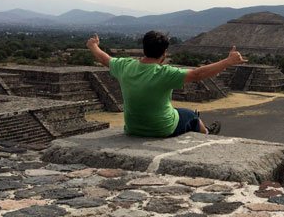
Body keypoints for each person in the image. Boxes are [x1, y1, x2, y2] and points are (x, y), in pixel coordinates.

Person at [87, 31, 245, 138]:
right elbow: (198, 74)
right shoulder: (163, 73)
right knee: (191, 115)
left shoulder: (125, 66)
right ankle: (208, 135)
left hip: (133, 128)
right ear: (164, 53)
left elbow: (104, 58)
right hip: (161, 129)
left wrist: (93, 45)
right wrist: (228, 61)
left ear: (144, 49)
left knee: (180, 112)